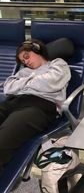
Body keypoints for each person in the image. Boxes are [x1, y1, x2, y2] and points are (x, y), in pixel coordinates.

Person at [0, 39, 71, 175]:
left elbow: (51, 83)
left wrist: (22, 83)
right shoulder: (24, 71)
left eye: (26, 56)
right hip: (13, 103)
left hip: (39, 106)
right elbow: (8, 88)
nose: (25, 62)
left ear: (37, 50)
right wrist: (36, 79)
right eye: (22, 61)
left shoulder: (57, 64)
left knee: (3, 140)